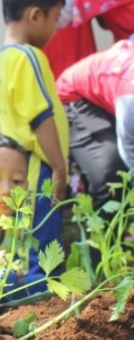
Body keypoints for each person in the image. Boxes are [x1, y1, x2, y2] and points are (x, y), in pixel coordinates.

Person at [0, 0, 69, 266]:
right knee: (44, 247)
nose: (56, 28)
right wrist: (59, 167)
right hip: (39, 169)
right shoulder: (29, 57)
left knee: (25, 242)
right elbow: (40, 116)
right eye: (56, 18)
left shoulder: (3, 60)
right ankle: (43, 294)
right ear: (35, 15)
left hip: (20, 170)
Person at [56, 37, 134, 210]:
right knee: (110, 172)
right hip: (73, 96)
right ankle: (104, 234)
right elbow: (129, 148)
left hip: (107, 93)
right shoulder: (130, 97)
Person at [0, 133, 49, 303]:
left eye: (17, 181)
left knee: (43, 283)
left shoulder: (19, 228)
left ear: (26, 186)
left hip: (6, 290)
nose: (6, 190)